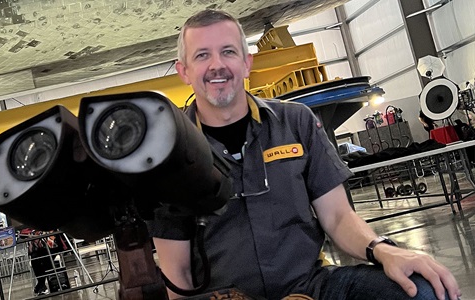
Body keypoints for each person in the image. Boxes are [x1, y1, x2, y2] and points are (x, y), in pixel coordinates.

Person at [149, 9, 461, 300]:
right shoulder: (169, 153)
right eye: (202, 55)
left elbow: (337, 216)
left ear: (247, 63)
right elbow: (177, 270)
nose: (217, 64)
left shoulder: (295, 122)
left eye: (228, 52)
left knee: (422, 291)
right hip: (223, 295)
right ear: (184, 71)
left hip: (308, 288)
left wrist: (383, 250)